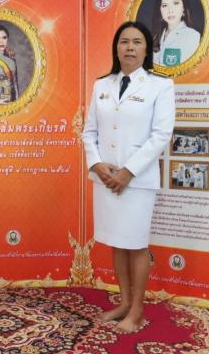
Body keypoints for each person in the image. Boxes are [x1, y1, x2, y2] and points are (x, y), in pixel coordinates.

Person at [82, 21, 175, 333]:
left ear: (147, 49)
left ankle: (136, 311)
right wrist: (96, 164)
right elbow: (89, 132)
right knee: (117, 242)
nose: (130, 47)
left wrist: (128, 171)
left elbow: (161, 135)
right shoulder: (102, 85)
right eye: (124, 42)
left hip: (137, 182)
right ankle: (123, 303)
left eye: (137, 42)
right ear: (116, 48)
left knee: (135, 244)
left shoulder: (160, 86)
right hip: (106, 179)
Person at [152, 0, 200, 66]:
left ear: (184, 8)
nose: (170, 10)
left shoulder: (192, 36)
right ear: (159, 10)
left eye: (175, 3)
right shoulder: (155, 37)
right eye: (165, 5)